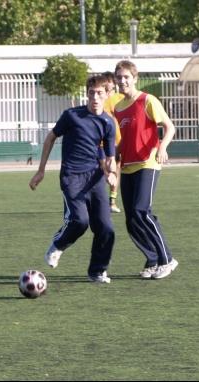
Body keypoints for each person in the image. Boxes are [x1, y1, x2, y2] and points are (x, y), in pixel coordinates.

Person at [29, 74, 117, 283]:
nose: (95, 97)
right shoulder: (71, 115)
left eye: (99, 93)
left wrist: (110, 173)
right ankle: (58, 245)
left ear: (106, 95)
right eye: (91, 93)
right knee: (80, 221)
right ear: (86, 94)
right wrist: (41, 170)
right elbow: (51, 137)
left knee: (106, 228)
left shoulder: (108, 123)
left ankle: (97, 271)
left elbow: (110, 157)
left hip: (94, 178)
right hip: (72, 176)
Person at [113, 60, 179, 279]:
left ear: (135, 78)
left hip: (148, 163)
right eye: (119, 77)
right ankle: (152, 259)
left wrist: (162, 148)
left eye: (126, 77)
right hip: (128, 166)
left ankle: (167, 259)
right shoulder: (118, 108)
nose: (122, 81)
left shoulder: (147, 100)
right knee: (132, 220)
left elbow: (170, 127)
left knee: (143, 211)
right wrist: (114, 156)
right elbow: (126, 138)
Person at [102, 71, 124, 214]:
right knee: (103, 170)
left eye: (111, 81)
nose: (109, 84)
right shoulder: (100, 99)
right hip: (101, 142)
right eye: (107, 81)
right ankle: (98, 201)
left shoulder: (120, 98)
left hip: (118, 141)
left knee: (116, 170)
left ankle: (112, 201)